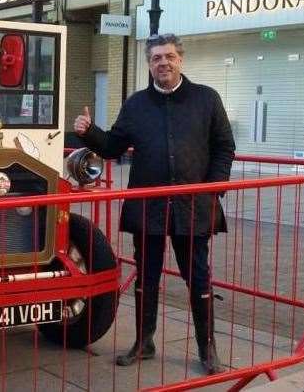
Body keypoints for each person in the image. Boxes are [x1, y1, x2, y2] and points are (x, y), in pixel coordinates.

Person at [73, 33, 235, 375]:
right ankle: (144, 342)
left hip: (193, 205)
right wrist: (88, 132)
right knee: (146, 275)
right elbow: (113, 147)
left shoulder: (207, 99)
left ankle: (208, 349)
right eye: (157, 58)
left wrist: (214, 188)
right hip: (148, 206)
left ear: (180, 60)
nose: (163, 62)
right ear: (149, 64)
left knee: (199, 277)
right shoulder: (136, 104)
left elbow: (224, 146)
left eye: (169, 56)